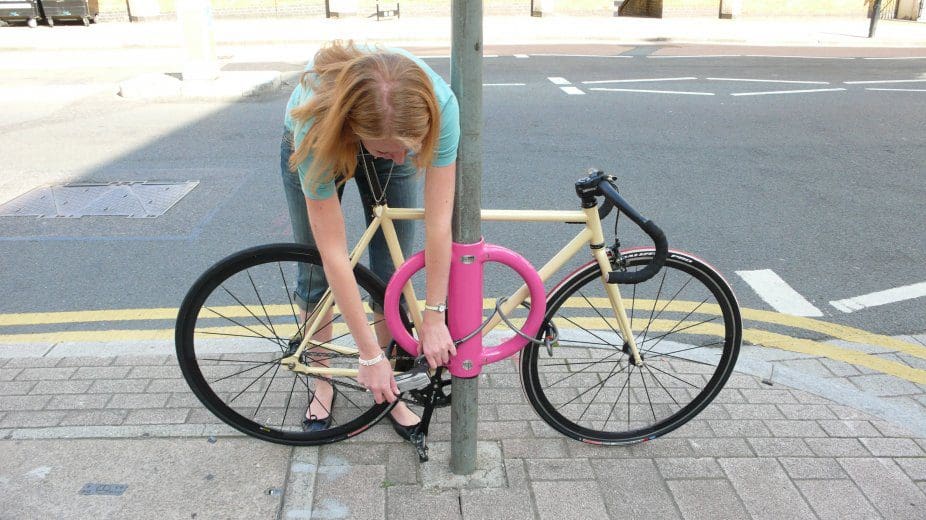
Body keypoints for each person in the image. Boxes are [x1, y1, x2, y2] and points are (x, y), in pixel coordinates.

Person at [279, 40, 460, 440]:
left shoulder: (440, 107)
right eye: (386, 151)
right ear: (360, 132)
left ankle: (388, 387)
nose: (399, 159)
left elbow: (438, 225)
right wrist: (367, 354)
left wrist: (433, 316)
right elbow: (333, 253)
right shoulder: (316, 125)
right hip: (322, 136)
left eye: (407, 151)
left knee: (390, 272)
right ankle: (323, 380)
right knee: (315, 275)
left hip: (382, 127)